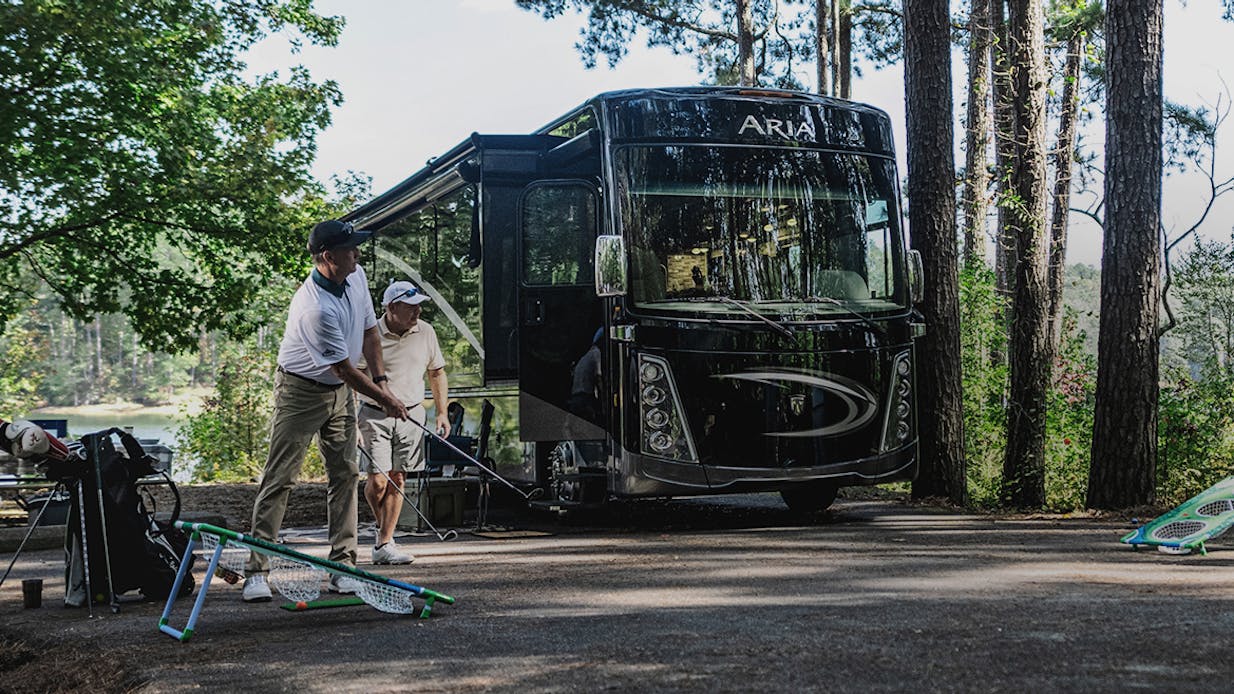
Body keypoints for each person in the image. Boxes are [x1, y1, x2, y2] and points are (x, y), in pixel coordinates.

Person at [242, 220, 410, 603]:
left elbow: (369, 332)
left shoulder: (357, 276)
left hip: (339, 393)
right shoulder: (313, 309)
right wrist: (387, 400)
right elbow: (345, 370)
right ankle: (257, 571)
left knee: (345, 475)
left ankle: (343, 566)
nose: (358, 254)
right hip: (300, 392)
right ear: (328, 257)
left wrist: (382, 380)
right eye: (350, 249)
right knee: (280, 478)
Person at [358, 281, 450, 564]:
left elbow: (436, 373)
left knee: (398, 478)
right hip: (375, 413)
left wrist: (442, 412)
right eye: (411, 307)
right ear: (391, 308)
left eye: (419, 306)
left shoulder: (426, 332)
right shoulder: (370, 333)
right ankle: (383, 527)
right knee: (378, 481)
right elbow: (355, 377)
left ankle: (384, 542)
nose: (417, 312)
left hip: (412, 413)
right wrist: (351, 422)